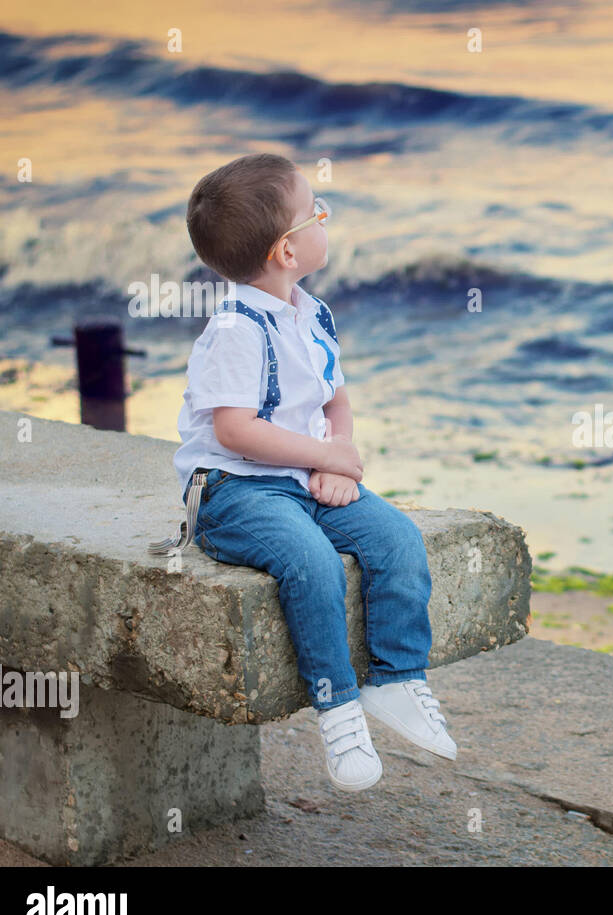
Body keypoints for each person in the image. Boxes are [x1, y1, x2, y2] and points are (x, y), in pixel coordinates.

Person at [171, 152, 455, 792]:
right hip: (234, 491)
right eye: (316, 214)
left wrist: (342, 462)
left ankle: (400, 679)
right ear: (285, 251)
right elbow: (234, 430)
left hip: (306, 478)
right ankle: (338, 708)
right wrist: (321, 456)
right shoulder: (236, 329)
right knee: (314, 564)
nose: (327, 221)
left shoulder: (312, 313)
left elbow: (335, 402)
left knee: (396, 540)